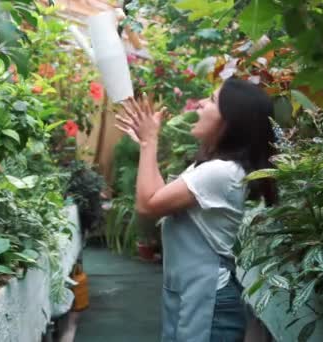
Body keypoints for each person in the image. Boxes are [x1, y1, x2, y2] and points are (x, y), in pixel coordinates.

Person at [115, 78, 277, 342]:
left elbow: (146, 206)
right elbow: (158, 199)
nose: (200, 103)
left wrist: (149, 142)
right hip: (193, 292)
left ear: (229, 120)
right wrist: (147, 144)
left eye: (212, 100)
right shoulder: (212, 167)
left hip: (207, 298)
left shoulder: (221, 172)